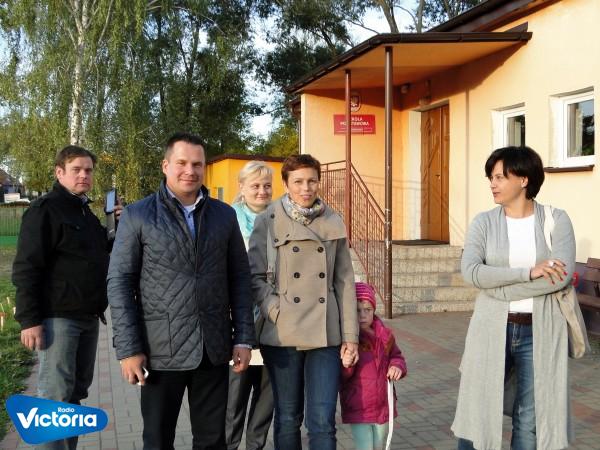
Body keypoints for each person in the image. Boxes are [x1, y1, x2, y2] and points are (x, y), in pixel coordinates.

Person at [107, 132, 255, 450]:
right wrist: (128, 349)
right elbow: (119, 282)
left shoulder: (224, 215)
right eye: (182, 163)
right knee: (158, 440)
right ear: (165, 165)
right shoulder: (138, 215)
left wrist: (243, 338)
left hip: (212, 349)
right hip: (160, 350)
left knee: (212, 441)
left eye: (197, 164)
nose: (190, 170)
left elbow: (240, 279)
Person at [452, 146, 576, 450]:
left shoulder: (556, 220)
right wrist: (529, 273)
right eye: (491, 178)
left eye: (499, 177)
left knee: (530, 419)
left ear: (523, 179)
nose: (492, 184)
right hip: (490, 328)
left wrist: (497, 289)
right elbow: (471, 272)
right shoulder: (483, 222)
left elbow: (560, 277)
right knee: (477, 413)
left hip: (541, 331)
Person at [248, 153, 359, 450]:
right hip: (283, 332)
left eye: (312, 181)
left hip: (326, 333)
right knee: (287, 417)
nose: (306, 188)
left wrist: (351, 336)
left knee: (323, 421)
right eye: (298, 181)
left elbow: (345, 281)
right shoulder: (268, 220)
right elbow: (253, 276)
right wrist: (276, 310)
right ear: (286, 184)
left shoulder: (333, 220)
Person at [12, 145, 119, 450]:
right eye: (77, 170)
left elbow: (102, 254)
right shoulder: (44, 210)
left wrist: (117, 226)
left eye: (88, 170)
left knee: (74, 397)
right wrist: (29, 320)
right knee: (55, 399)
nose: (84, 175)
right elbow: (27, 266)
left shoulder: (85, 212)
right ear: (60, 172)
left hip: (88, 317)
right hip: (58, 319)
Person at [225, 161, 275, 450]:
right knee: (236, 389)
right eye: (255, 185)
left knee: (268, 391)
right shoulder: (227, 219)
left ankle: (255, 445)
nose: (262, 191)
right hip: (239, 315)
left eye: (267, 185)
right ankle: (229, 444)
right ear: (241, 187)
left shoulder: (280, 217)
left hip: (275, 316)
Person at [340, 282, 407, 450]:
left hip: (383, 405)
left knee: (378, 446)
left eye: (367, 310)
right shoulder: (347, 340)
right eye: (357, 310)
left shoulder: (385, 336)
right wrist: (346, 364)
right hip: (359, 406)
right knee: (365, 447)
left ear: (374, 310)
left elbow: (396, 356)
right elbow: (341, 375)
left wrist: (397, 366)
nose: (362, 315)